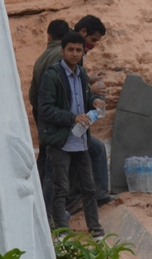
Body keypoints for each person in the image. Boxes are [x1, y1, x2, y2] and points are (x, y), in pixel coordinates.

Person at [38, 32, 105, 235]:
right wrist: (72, 118)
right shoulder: (52, 76)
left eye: (78, 50)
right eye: (71, 50)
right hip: (60, 140)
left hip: (80, 139)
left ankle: (95, 229)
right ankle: (62, 232)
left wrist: (93, 100)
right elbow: (45, 110)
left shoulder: (82, 73)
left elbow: (84, 96)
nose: (75, 54)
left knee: (89, 187)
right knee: (60, 188)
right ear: (62, 51)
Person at [29, 18, 71, 211]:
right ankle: (50, 211)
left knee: (45, 158)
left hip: (43, 115)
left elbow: (33, 95)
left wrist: (42, 113)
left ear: (48, 36)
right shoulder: (60, 57)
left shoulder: (41, 58)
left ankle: (38, 204)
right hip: (56, 118)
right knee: (54, 166)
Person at [73, 14, 111, 205]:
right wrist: (90, 90)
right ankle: (97, 197)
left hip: (72, 119)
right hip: (68, 120)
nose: (94, 45)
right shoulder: (72, 53)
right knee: (96, 149)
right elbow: (68, 87)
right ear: (83, 32)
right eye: (93, 39)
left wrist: (88, 81)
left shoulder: (76, 54)